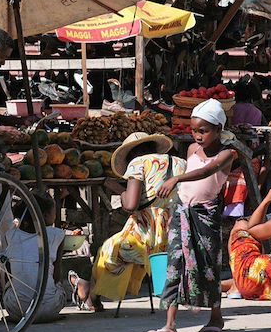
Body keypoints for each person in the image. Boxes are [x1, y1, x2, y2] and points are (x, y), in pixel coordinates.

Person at [146, 99, 235, 332]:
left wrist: (177, 179)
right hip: (182, 215)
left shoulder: (228, 153)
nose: (197, 136)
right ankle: (170, 325)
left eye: (203, 131)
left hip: (206, 218)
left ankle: (216, 317)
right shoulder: (191, 151)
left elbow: (207, 172)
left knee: (209, 266)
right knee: (175, 265)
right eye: (194, 130)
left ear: (218, 129)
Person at [71, 132, 186, 311]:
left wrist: (118, 190)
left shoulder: (138, 163)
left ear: (132, 153)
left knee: (108, 250)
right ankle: (89, 292)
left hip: (147, 236)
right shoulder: (180, 163)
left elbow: (130, 205)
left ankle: (90, 294)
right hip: (175, 233)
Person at [3, 192, 69, 323]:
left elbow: (9, 274)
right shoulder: (57, 235)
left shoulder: (10, 235)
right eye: (54, 213)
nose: (55, 216)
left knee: (8, 287)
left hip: (17, 309)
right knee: (61, 287)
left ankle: (18, 315)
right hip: (50, 308)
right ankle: (47, 313)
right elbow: (57, 276)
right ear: (45, 216)